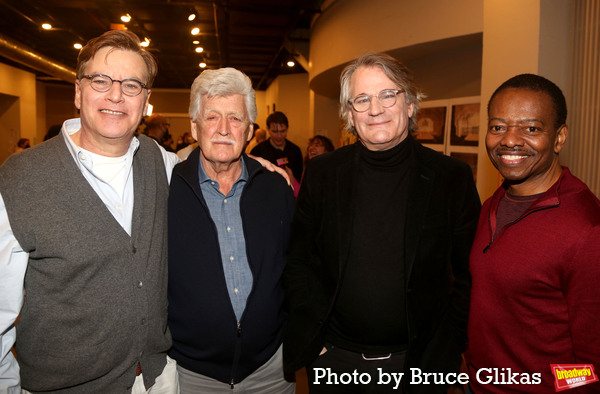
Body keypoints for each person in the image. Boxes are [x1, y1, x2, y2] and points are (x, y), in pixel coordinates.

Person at [283, 53, 481, 393]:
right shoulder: (323, 173)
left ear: (410, 104)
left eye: (388, 94)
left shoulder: (451, 177)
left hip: (418, 366)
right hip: (335, 362)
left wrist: (446, 353)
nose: (375, 109)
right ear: (349, 114)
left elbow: (468, 275)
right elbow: (299, 260)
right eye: (362, 99)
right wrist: (318, 350)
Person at [0, 30, 180, 393]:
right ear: (78, 91)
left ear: (145, 99)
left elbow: (211, 168)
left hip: (156, 380)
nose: (116, 95)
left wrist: (253, 162)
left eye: (131, 85)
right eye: (101, 80)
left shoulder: (164, 163)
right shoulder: (21, 178)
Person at [465, 74, 600, 393]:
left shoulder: (588, 230)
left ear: (559, 137)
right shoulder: (493, 203)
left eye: (531, 128)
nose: (509, 140)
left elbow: (592, 365)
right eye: (498, 127)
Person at [167, 67, 295, 393]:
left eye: (236, 119)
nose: (224, 129)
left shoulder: (275, 190)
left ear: (250, 130)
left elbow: (297, 268)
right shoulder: (165, 191)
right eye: (211, 117)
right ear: (194, 126)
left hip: (271, 370)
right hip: (192, 374)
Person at [250, 111, 303, 181]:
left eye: (282, 131)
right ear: (268, 129)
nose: (279, 135)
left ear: (287, 128)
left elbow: (299, 179)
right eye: (275, 131)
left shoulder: (295, 151)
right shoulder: (257, 151)